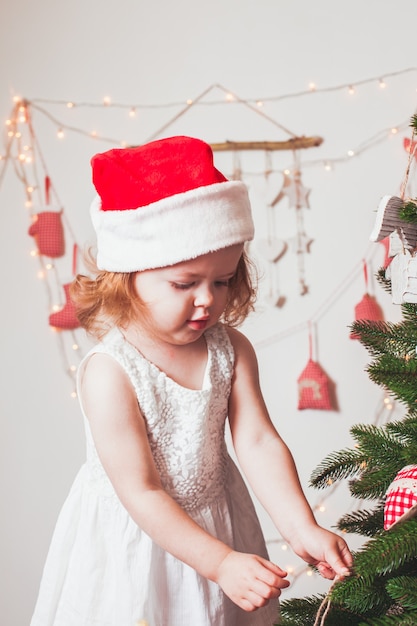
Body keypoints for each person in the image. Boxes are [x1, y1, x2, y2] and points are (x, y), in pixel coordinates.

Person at [30, 136, 352, 626]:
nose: (208, 300)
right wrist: (219, 563)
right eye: (185, 283)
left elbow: (259, 442)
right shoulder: (110, 372)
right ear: (127, 275)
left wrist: (300, 527)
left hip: (220, 524)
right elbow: (141, 492)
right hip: (139, 541)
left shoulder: (230, 350)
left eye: (221, 281)